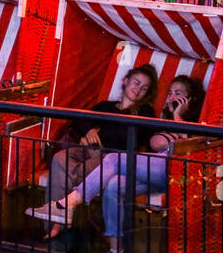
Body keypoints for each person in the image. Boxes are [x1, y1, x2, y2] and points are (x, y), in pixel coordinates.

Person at [32, 76, 207, 253]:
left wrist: (178, 117)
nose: (172, 97)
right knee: (114, 185)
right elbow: (157, 143)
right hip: (153, 167)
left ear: (191, 99)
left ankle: (66, 204)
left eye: (178, 94)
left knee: (113, 159)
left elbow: (184, 146)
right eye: (170, 93)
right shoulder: (164, 120)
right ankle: (118, 251)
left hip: (176, 171)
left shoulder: (200, 122)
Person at [29, 64, 159, 242]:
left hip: (112, 158)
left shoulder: (145, 112)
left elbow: (126, 139)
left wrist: (99, 131)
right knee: (60, 158)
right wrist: (89, 130)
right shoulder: (105, 105)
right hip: (88, 151)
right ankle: (56, 223)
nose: (138, 90)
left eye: (144, 88)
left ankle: (60, 226)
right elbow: (79, 120)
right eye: (136, 83)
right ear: (126, 81)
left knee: (77, 170)